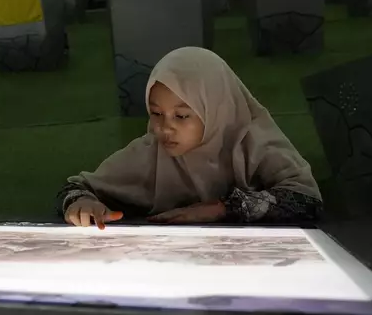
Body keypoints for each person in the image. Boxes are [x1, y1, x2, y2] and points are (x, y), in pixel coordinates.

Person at [57, 47, 323, 229]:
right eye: (156, 113)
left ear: (216, 108)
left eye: (182, 116)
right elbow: (75, 188)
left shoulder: (253, 144)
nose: (164, 128)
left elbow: (306, 201)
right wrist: (82, 203)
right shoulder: (151, 153)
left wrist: (221, 209)